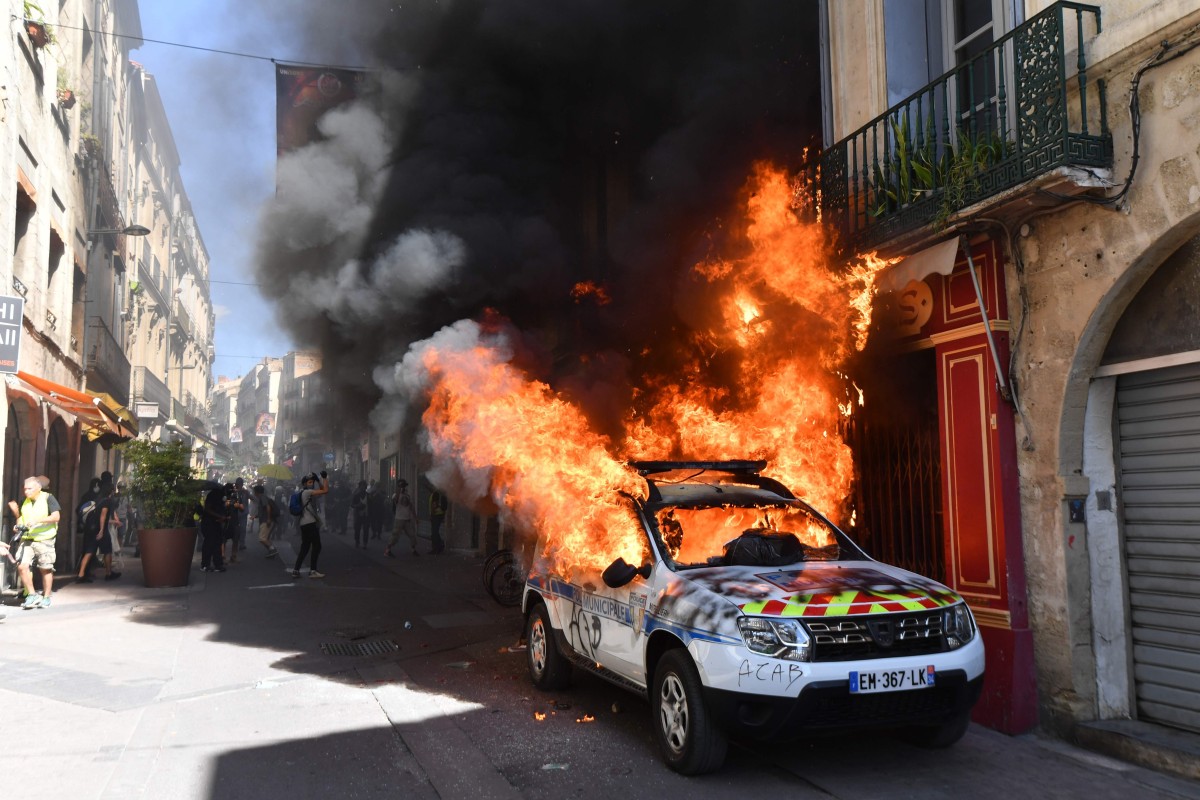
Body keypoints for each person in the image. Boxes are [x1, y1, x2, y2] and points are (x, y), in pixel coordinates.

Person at [8, 475, 62, 609]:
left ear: (38, 488)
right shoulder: (24, 501)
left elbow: (56, 517)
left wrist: (38, 520)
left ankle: (46, 596)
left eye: (30, 489)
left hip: (44, 539)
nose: (26, 491)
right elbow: (21, 518)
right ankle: (32, 595)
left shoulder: (48, 498)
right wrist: (17, 526)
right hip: (27, 538)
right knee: (21, 566)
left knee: (45, 568)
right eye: (25, 489)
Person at [77, 480, 121, 582]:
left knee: (89, 552)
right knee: (107, 551)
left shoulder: (97, 499)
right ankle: (108, 573)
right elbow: (103, 516)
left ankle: (80, 574)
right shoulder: (107, 501)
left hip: (90, 528)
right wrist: (101, 530)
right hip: (100, 530)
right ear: (111, 491)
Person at [292, 471, 329, 578]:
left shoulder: (303, 493)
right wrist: (324, 479)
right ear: (304, 484)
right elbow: (325, 490)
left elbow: (322, 491)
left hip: (304, 523)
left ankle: (296, 570)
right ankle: (313, 570)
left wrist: (318, 480)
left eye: (312, 482)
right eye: (309, 482)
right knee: (317, 546)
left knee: (305, 547)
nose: (311, 484)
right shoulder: (307, 493)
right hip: (310, 523)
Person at [199, 483, 229, 572]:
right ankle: (205, 565)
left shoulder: (220, 496)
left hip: (215, 523)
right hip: (209, 523)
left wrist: (222, 517)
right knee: (209, 543)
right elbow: (207, 509)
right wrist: (219, 516)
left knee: (217, 543)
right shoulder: (214, 495)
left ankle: (218, 565)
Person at [386, 479, 418, 558]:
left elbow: (411, 507)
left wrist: (415, 517)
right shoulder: (396, 495)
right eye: (402, 486)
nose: (403, 488)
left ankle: (413, 549)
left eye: (404, 486)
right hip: (399, 519)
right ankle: (387, 550)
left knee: (412, 535)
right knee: (395, 536)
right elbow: (395, 500)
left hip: (407, 519)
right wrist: (398, 490)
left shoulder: (407, 495)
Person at [253, 484, 279, 558]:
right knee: (265, 538)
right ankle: (271, 552)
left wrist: (268, 519)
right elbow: (263, 510)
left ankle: (273, 549)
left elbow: (268, 507)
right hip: (265, 520)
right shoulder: (263, 497)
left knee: (262, 538)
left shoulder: (262, 497)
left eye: (254, 491)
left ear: (257, 492)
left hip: (266, 521)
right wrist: (255, 516)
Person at [232, 477, 251, 554]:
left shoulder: (245, 492)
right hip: (236, 513)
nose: (239, 486)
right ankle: (237, 543)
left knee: (242, 529)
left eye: (240, 484)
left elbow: (251, 498)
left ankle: (241, 544)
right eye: (238, 484)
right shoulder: (234, 492)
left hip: (242, 513)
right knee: (237, 529)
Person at [350, 480, 369, 548]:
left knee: (366, 530)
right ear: (359, 487)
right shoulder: (356, 495)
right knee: (357, 529)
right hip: (358, 514)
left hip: (366, 515)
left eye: (364, 486)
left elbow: (371, 505)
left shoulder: (368, 495)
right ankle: (357, 541)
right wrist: (357, 505)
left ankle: (365, 543)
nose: (363, 487)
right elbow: (352, 504)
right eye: (362, 486)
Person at [428, 489, 447, 554]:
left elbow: (434, 505)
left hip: (436, 515)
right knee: (435, 532)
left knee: (434, 533)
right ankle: (438, 547)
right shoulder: (437, 493)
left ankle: (437, 547)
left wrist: (432, 514)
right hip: (438, 514)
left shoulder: (436, 494)